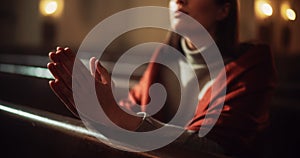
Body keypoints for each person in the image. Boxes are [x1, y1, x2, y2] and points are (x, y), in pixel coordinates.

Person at [48, 0, 276, 157]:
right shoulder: (164, 59)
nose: (179, 0)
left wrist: (121, 118)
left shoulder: (252, 66)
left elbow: (212, 149)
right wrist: (101, 111)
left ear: (223, 10)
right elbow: (130, 108)